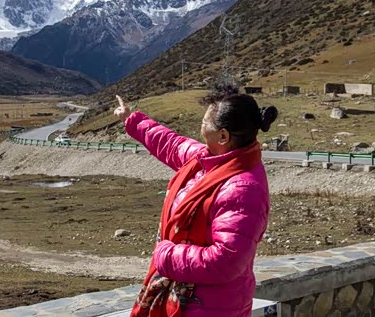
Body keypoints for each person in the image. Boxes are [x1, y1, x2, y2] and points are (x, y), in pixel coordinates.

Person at [113, 85, 278, 317]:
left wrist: (166, 256)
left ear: (223, 136)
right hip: (189, 303)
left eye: (204, 123)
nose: (200, 128)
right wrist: (131, 119)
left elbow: (227, 260)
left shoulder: (242, 188)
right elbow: (169, 143)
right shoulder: (206, 161)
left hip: (213, 308)